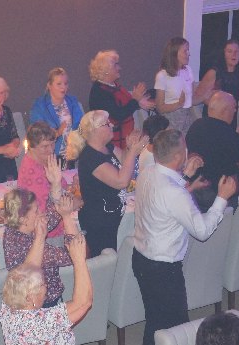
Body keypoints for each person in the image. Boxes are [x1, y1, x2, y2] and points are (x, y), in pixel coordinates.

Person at [133, 129, 236, 345]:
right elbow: (202, 231)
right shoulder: (173, 192)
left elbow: (167, 196)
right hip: (163, 269)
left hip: (141, 259)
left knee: (155, 321)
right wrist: (222, 197)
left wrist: (185, 176)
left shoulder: (147, 173)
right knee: (176, 329)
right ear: (180, 155)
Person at [1, 234, 92, 345]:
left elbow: (27, 270)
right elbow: (84, 302)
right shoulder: (41, 322)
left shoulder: (8, 306)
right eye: (43, 284)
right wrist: (79, 261)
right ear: (30, 297)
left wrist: (40, 236)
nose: (46, 287)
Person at [66, 110, 147, 257]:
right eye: (106, 123)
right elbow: (121, 181)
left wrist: (130, 147)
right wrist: (133, 152)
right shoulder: (90, 157)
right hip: (98, 222)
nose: (111, 125)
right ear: (94, 130)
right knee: (106, 260)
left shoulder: (107, 147)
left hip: (111, 217)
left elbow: (124, 160)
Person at [3, 185, 76, 304]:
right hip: (42, 303)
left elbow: (50, 217)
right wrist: (67, 217)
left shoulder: (15, 230)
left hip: (30, 301)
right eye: (36, 210)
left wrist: (55, 185)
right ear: (23, 219)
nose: (41, 212)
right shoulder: (23, 245)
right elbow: (72, 255)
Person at [186, 91, 239, 212]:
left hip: (196, 191)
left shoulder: (195, 126)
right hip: (221, 195)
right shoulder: (229, 134)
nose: (235, 111)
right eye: (234, 108)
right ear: (225, 110)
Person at [16, 122, 81, 240]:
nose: (51, 150)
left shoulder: (43, 160)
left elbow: (60, 189)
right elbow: (47, 215)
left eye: (52, 144)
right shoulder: (32, 174)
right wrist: (79, 200)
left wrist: (73, 187)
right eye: (45, 146)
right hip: (50, 236)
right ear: (31, 146)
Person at [88, 50, 154, 150]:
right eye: (115, 65)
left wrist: (138, 102)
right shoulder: (99, 92)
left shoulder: (114, 85)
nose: (119, 68)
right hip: (111, 145)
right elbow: (118, 115)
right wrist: (135, 100)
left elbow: (127, 103)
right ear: (106, 70)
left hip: (125, 139)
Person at [154, 37, 212, 134]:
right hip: (169, 122)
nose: (189, 54)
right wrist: (178, 104)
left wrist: (205, 96)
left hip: (186, 119)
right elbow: (160, 108)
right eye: (185, 51)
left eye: (188, 50)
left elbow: (191, 100)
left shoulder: (188, 70)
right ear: (174, 53)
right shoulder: (162, 75)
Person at [30, 67, 85, 161]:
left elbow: (81, 125)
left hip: (73, 154)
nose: (63, 87)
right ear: (49, 85)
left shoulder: (72, 101)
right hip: (50, 156)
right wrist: (57, 133)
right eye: (59, 84)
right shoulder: (40, 106)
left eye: (65, 83)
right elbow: (36, 135)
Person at [199, 39, 239, 128]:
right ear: (224, 53)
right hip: (215, 117)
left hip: (231, 117)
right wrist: (218, 106)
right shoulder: (214, 72)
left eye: (236, 51)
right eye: (230, 51)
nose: (234, 55)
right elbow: (200, 96)